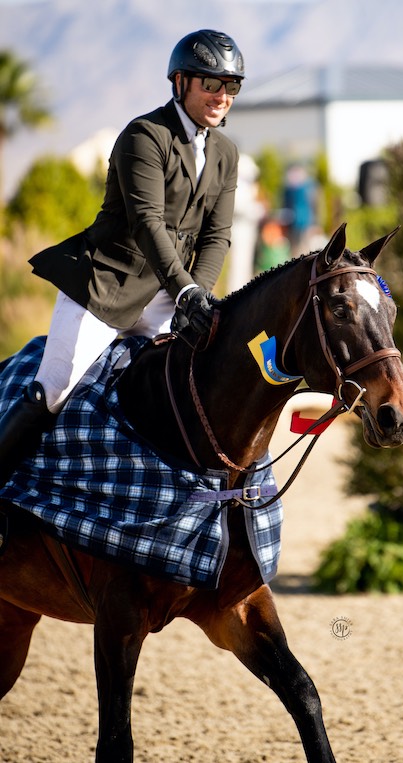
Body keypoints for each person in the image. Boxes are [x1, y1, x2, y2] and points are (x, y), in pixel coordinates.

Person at [0, 28, 245, 487]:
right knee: (51, 392)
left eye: (231, 86)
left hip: (166, 299)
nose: (222, 96)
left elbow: (218, 235)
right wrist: (186, 288)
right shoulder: (145, 135)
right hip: (104, 289)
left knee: (179, 397)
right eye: (211, 83)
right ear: (180, 83)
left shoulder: (226, 154)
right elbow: (148, 223)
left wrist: (197, 296)